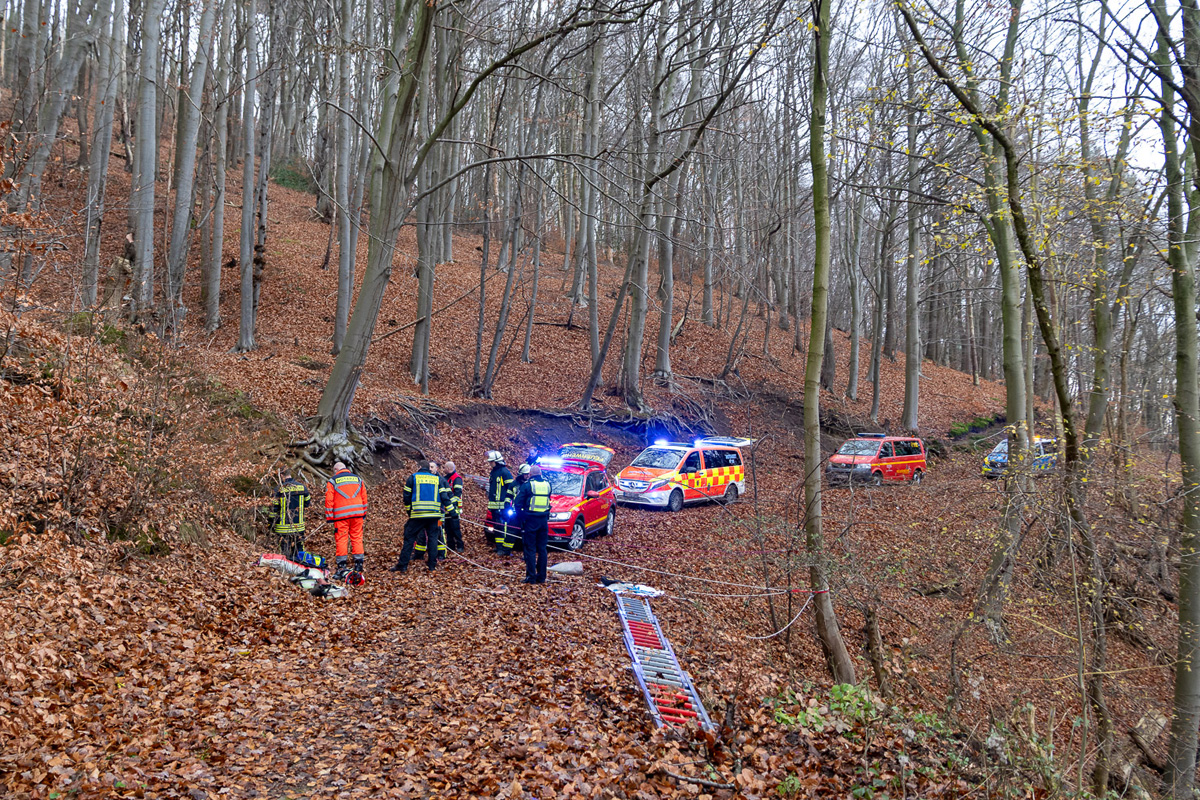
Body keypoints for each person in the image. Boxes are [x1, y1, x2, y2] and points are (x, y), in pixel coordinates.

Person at [392, 460, 450, 573]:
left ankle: (403, 565)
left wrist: (410, 512)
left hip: (418, 515)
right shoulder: (437, 479)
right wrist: (452, 512)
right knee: (433, 539)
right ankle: (432, 565)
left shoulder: (413, 478)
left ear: (419, 466)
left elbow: (406, 497)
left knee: (409, 538)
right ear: (428, 468)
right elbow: (444, 496)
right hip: (434, 515)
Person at [325, 461, 367, 580]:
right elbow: (364, 497)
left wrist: (329, 517)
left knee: (342, 539)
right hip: (357, 515)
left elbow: (329, 501)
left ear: (335, 470)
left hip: (341, 516)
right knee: (357, 537)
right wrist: (363, 513)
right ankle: (358, 564)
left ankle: (341, 566)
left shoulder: (333, 481)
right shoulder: (358, 479)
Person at [513, 464, 552, 583]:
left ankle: (531, 576)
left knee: (530, 549)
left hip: (530, 520)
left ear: (530, 475)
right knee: (542, 549)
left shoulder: (527, 485)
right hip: (543, 520)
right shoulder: (547, 484)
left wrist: (521, 516)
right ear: (540, 473)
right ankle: (542, 576)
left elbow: (518, 503)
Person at [271, 470, 311, 561]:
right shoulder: (302, 487)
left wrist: (271, 523)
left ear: (281, 475)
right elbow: (307, 503)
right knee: (299, 552)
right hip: (299, 527)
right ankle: (299, 569)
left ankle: (285, 571)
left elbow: (274, 509)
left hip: (282, 528)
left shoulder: (278, 489)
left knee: (284, 553)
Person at [414, 461, 448, 563]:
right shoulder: (425, 479)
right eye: (429, 467)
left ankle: (441, 554)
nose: (430, 469)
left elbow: (446, 496)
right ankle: (419, 554)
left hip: (439, 513)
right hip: (424, 512)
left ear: (436, 468)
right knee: (421, 533)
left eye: (432, 467)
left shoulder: (440, 480)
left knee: (439, 532)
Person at [485, 451, 515, 554]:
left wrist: (508, 503)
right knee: (497, 527)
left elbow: (511, 489)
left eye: (492, 461)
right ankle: (499, 547)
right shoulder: (493, 472)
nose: (490, 463)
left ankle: (504, 549)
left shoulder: (505, 472)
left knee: (503, 527)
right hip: (494, 506)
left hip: (502, 506)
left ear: (497, 461)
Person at [442, 461, 465, 553]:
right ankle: (451, 545)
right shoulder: (445, 479)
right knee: (448, 528)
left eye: (444, 468)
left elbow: (457, 493)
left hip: (454, 508)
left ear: (449, 468)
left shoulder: (457, 478)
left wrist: (452, 504)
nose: (443, 470)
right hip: (446, 508)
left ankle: (460, 545)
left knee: (455, 528)